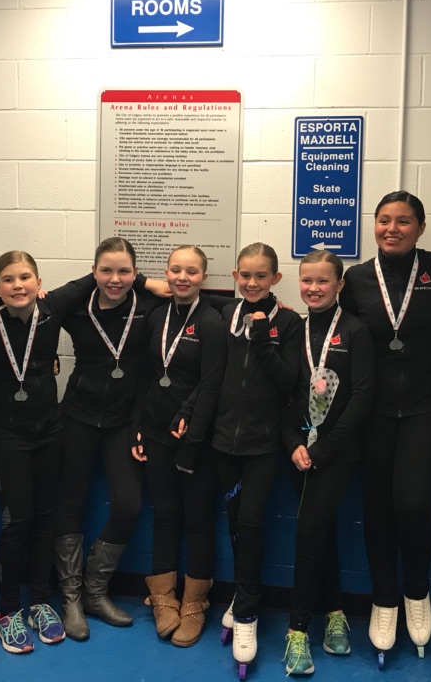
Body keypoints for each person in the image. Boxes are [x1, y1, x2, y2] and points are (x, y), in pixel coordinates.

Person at [338, 190, 431, 664]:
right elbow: (337, 332)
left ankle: (416, 591)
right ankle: (384, 599)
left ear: (421, 227)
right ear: (373, 225)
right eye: (384, 220)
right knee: (377, 508)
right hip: (372, 412)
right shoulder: (357, 278)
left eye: (404, 221)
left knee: (412, 504)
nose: (393, 229)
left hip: (425, 409)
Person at [0, 251, 112, 655]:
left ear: (38, 282)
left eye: (25, 277)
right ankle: (7, 612)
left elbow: (100, 275)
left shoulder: (53, 308)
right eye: (8, 279)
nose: (17, 285)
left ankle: (38, 603)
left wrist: (147, 281)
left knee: (45, 518)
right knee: (16, 521)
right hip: (5, 436)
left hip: (50, 431)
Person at [53, 237, 167, 641]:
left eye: (124, 271)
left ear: (135, 273)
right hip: (78, 416)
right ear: (93, 272)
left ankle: (94, 592)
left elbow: (202, 305)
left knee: (129, 506)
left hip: (124, 421)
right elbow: (48, 301)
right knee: (70, 502)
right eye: (105, 270)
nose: (114, 279)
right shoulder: (76, 307)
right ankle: (70, 598)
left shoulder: (148, 307)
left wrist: (145, 284)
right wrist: (121, 278)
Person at [281, 250, 375, 676]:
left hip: (336, 454)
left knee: (307, 532)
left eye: (322, 281)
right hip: (298, 453)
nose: (313, 288)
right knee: (321, 531)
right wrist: (293, 444)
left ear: (339, 284)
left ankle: (297, 630)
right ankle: (335, 610)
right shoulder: (294, 330)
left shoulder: (355, 331)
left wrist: (323, 450)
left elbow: (362, 397)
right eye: (307, 280)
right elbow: (283, 393)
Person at [211, 243, 302, 673]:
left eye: (261, 276)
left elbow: (288, 381)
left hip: (264, 444)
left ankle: (247, 614)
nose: (251, 283)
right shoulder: (224, 314)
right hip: (222, 442)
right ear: (235, 275)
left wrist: (264, 337)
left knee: (250, 523)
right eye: (245, 275)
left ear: (275, 279)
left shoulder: (290, 322)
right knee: (234, 524)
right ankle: (242, 593)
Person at [132, 245, 227, 648]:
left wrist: (193, 438)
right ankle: (163, 597)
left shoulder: (211, 321)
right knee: (166, 514)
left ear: (204, 277)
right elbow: (145, 375)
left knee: (198, 517)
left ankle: (195, 601)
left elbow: (212, 383)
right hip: (156, 432)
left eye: (191, 271)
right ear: (166, 273)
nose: (182, 277)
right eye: (175, 270)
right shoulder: (157, 315)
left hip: (196, 437)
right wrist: (138, 427)